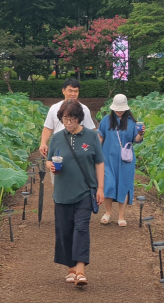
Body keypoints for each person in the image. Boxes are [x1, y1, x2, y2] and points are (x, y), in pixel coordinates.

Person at [46, 100, 104, 287]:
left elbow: (99, 162)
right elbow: (47, 161)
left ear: (79, 119)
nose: (68, 123)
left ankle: (80, 271)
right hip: (62, 192)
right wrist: (51, 166)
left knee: (81, 228)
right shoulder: (56, 138)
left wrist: (100, 188)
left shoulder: (91, 136)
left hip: (85, 191)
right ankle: (70, 268)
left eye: (72, 119)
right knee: (65, 230)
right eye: (65, 119)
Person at [97, 94, 145, 226]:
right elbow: (100, 137)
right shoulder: (106, 120)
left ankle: (121, 216)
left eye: (121, 108)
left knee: (123, 186)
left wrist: (141, 134)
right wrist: (95, 153)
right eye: (117, 108)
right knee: (109, 184)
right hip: (108, 158)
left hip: (126, 161)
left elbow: (136, 140)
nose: (119, 111)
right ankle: (107, 212)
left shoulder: (132, 123)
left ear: (126, 108)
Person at [40, 78, 96, 157]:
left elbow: (90, 130)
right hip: (59, 146)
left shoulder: (84, 109)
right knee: (56, 167)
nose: (73, 94)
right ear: (63, 91)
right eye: (70, 91)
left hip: (78, 148)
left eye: (76, 91)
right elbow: (48, 128)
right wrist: (43, 143)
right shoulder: (54, 108)